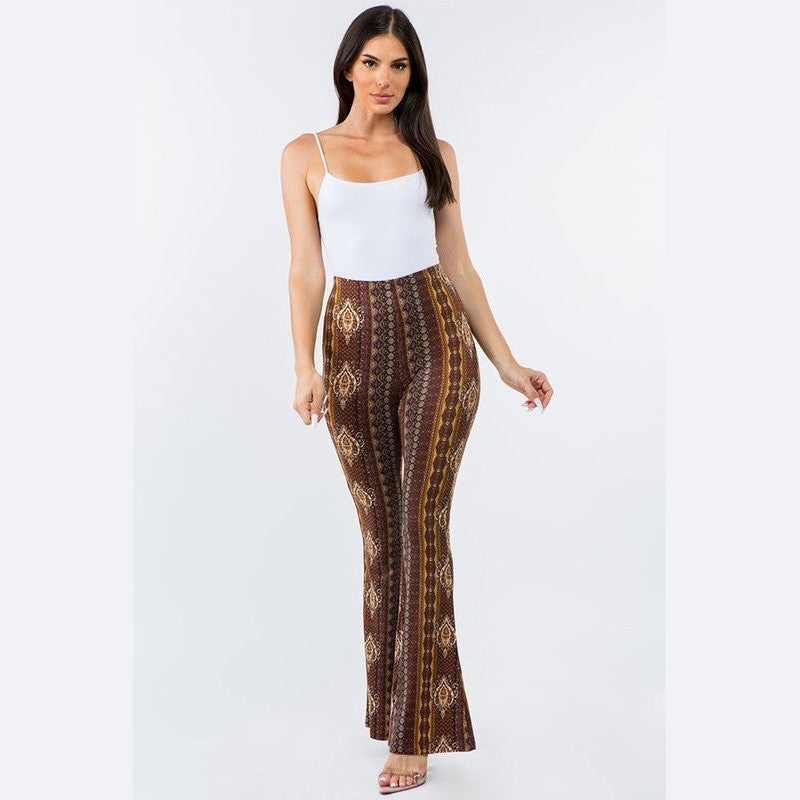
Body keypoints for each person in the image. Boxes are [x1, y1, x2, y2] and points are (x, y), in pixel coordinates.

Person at [281, 6, 553, 793]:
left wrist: (505, 361)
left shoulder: (435, 154)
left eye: (399, 65)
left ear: (414, 74)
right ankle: (390, 708)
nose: (384, 79)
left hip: (437, 338)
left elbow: (459, 265)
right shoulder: (305, 154)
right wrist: (303, 365)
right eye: (371, 62)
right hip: (351, 344)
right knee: (382, 539)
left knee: (421, 527)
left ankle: (413, 738)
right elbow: (305, 268)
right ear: (347, 66)